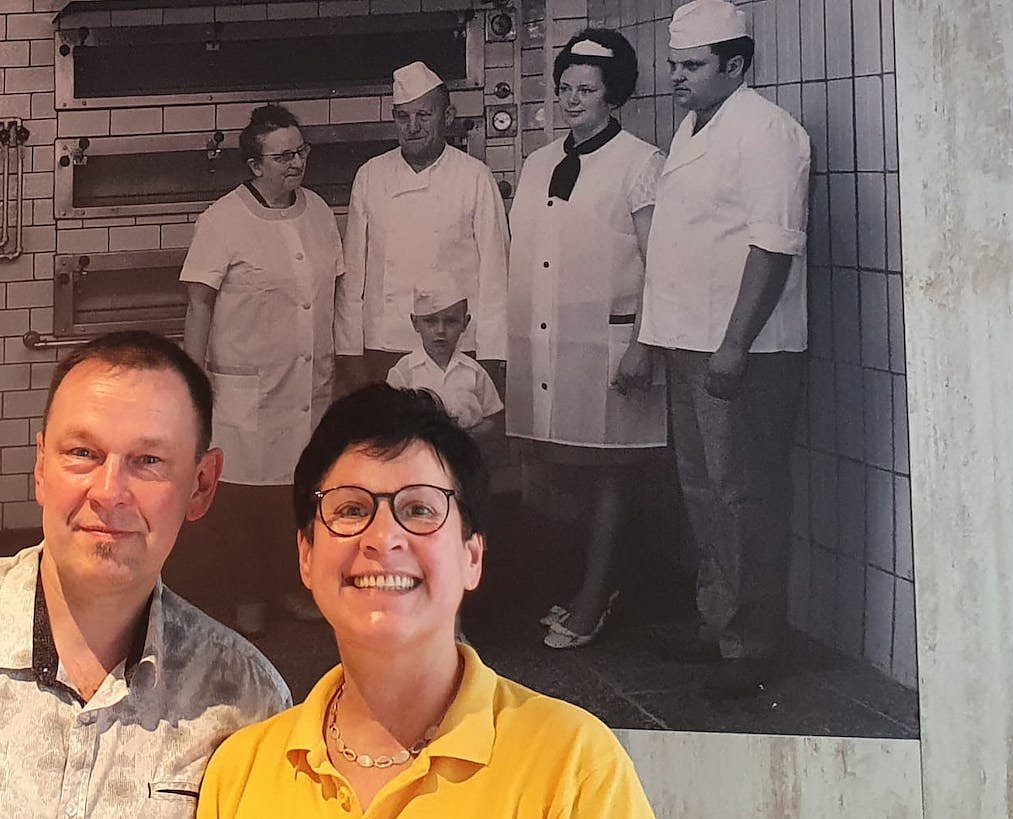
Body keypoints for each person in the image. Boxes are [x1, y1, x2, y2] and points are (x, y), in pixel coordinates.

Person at [0, 331, 290, 817]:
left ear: (201, 485)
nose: (109, 492)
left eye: (148, 461)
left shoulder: (245, 700)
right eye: (83, 453)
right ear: (41, 467)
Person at [196, 384, 654, 817]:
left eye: (418, 510)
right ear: (307, 557)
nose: (383, 538)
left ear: (471, 557)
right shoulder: (242, 772)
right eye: (352, 509)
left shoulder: (573, 765)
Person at [638, 0, 812, 699]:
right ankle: (716, 622)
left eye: (692, 65)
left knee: (745, 494)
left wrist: (735, 344)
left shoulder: (769, 133)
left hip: (744, 348)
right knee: (703, 489)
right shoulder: (692, 127)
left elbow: (773, 246)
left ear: (735, 64)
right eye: (674, 65)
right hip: (689, 340)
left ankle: (752, 645)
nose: (677, 77)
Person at [506, 29, 669, 649]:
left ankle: (596, 596)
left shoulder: (641, 164)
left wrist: (644, 345)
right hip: (551, 344)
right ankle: (582, 587)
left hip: (612, 345)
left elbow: (661, 263)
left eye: (586, 90)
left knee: (610, 474)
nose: (572, 100)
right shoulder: (539, 163)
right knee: (564, 469)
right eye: (566, 88)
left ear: (613, 95)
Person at [180, 103, 342, 636]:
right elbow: (199, 303)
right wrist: (192, 380)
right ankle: (248, 594)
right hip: (244, 385)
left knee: (296, 492)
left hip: (307, 384)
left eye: (301, 152)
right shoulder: (222, 220)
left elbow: (333, 294)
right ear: (254, 165)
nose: (297, 163)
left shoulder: (319, 212)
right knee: (243, 496)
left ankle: (290, 588)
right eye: (283, 156)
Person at [336, 60, 509, 392]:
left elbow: (496, 273)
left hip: (457, 347)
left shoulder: (474, 176)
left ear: (448, 116)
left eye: (424, 115)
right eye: (403, 117)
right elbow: (353, 274)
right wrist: (349, 351)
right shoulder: (371, 175)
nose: (412, 126)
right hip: (384, 347)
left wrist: (492, 354)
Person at [386, 285, 503, 442]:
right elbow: (389, 421)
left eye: (451, 321)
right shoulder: (404, 371)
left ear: (465, 323)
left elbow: (493, 418)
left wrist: (465, 436)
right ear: (415, 322)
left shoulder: (474, 371)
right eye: (430, 321)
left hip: (465, 450)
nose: (440, 330)